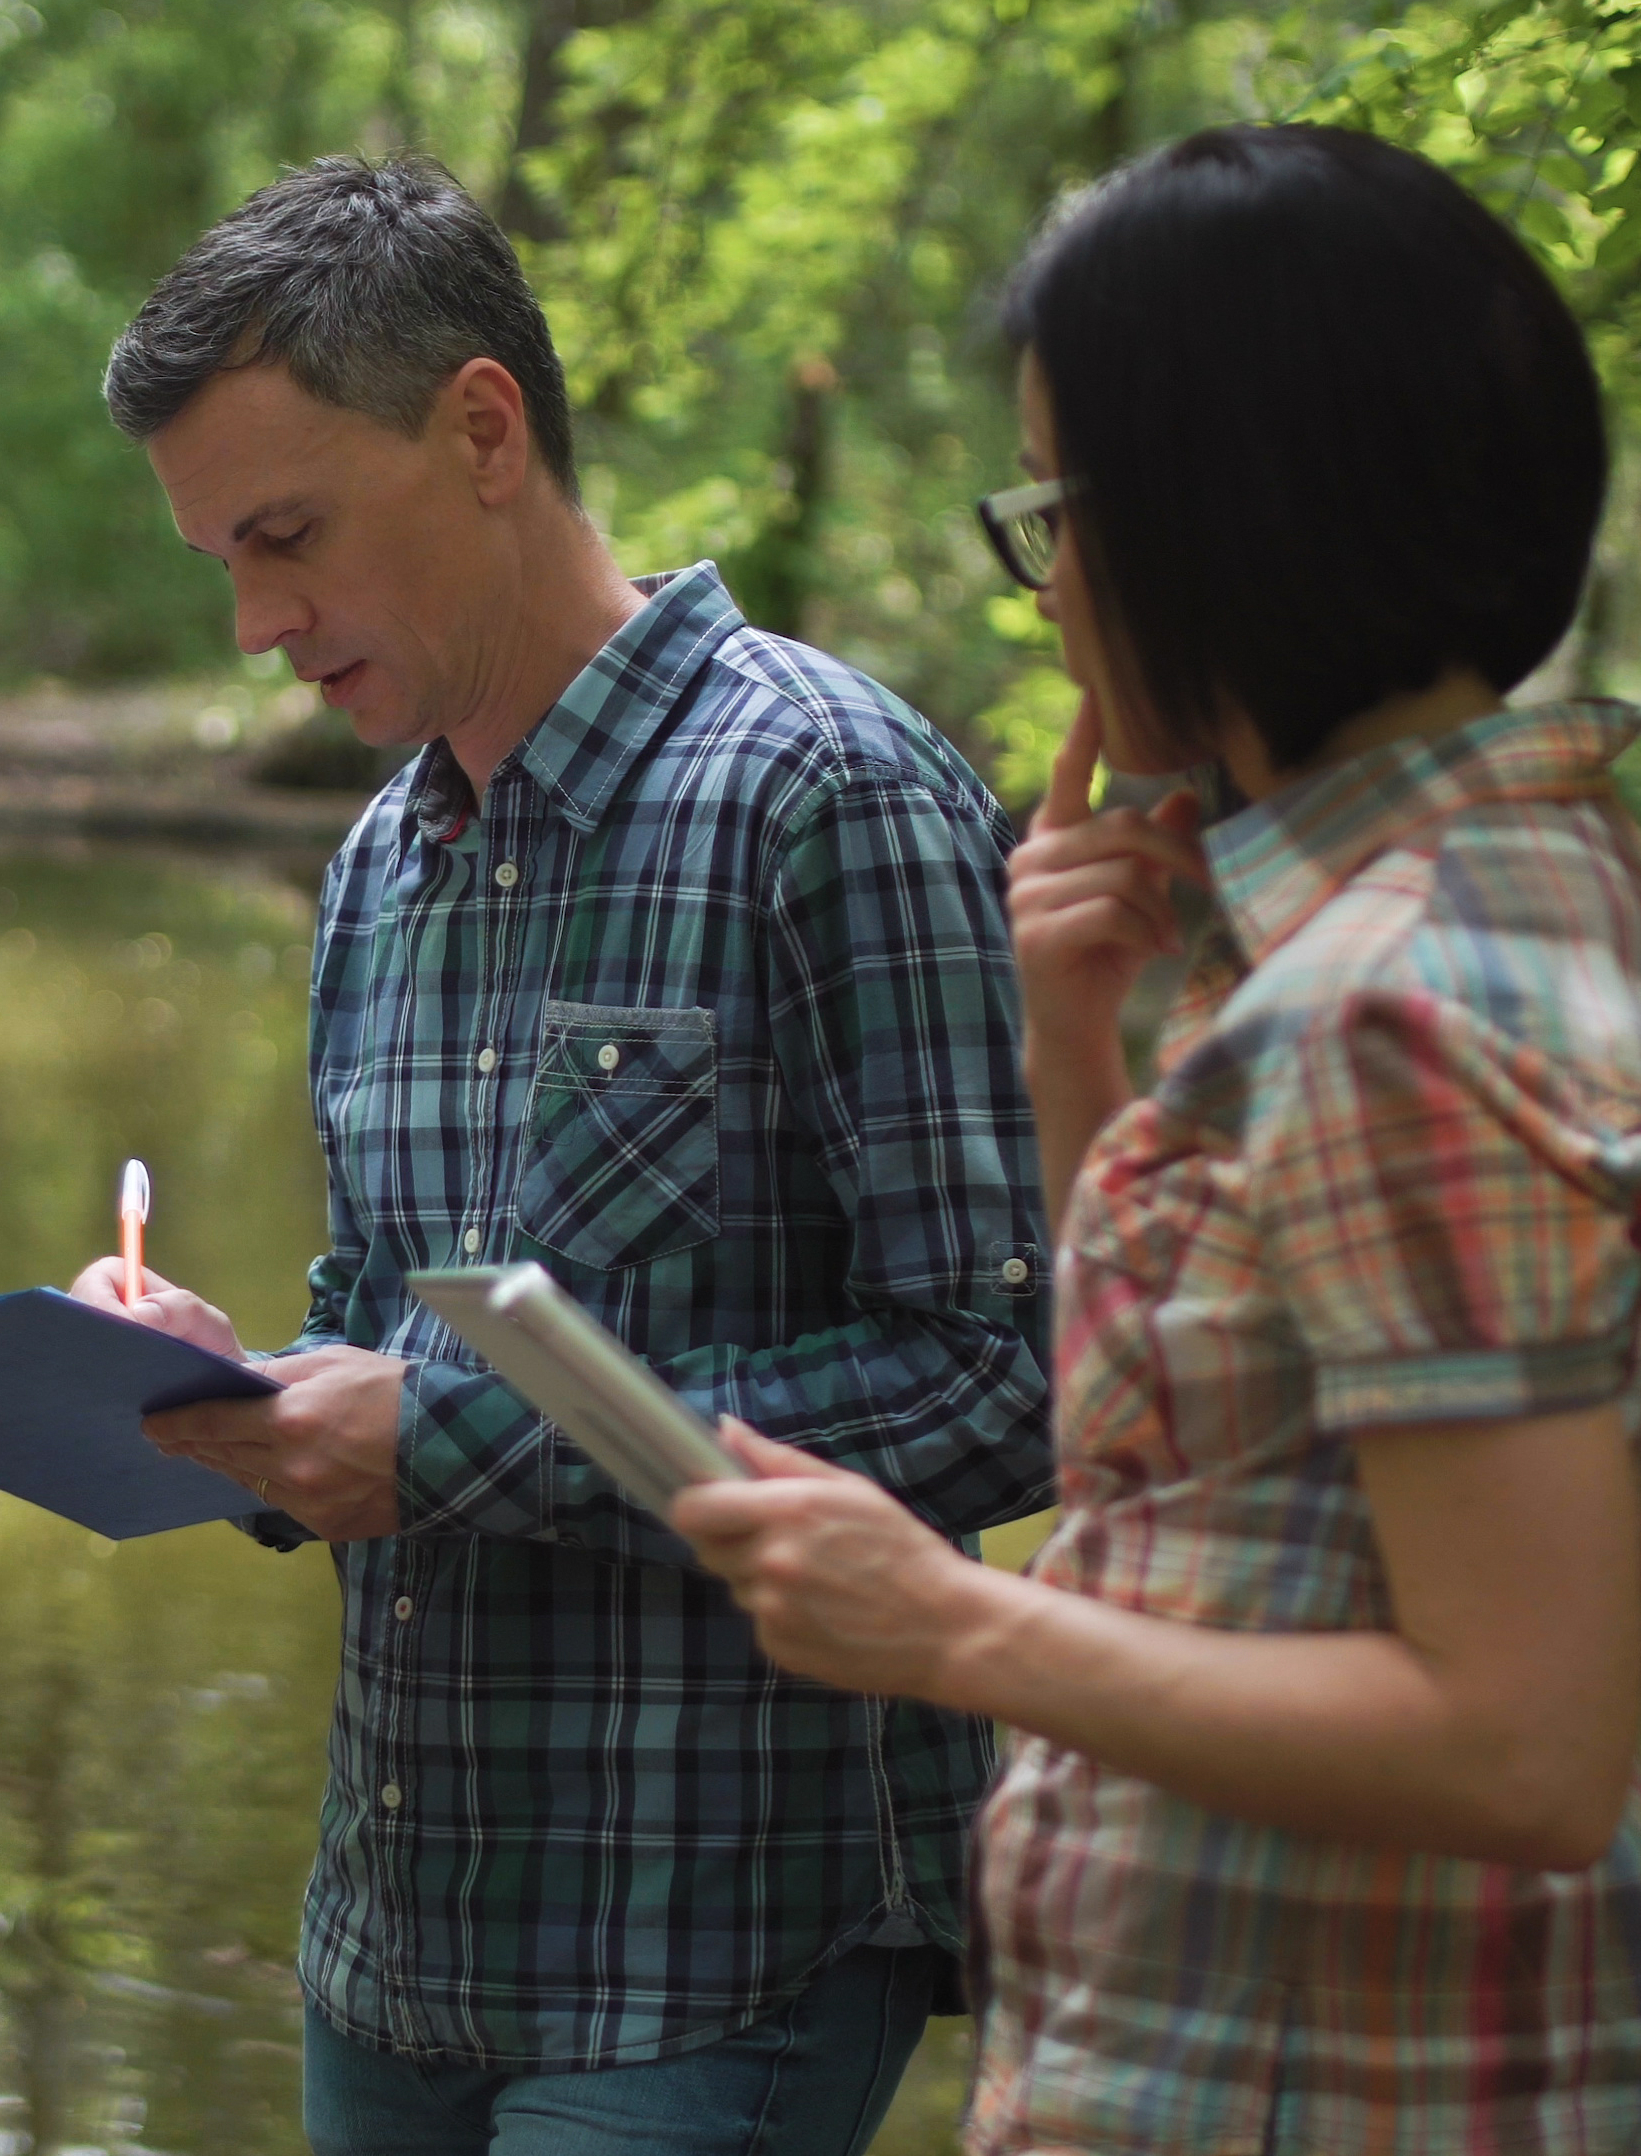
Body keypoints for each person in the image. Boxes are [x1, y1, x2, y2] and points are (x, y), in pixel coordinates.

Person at [671, 124, 1641, 2154]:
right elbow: (1221, 1471)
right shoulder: (1542, 891)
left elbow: (1524, 1741)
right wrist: (1076, 1034)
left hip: (1321, 2080)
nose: (1052, 578)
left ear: (1217, 514)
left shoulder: (1397, 1005)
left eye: (1059, 509)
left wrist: (948, 1624)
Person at [76, 156, 1056, 2156]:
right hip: (395, 1944)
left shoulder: (829, 789)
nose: (262, 625)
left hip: (719, 1947)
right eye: (222, 566)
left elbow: (1000, 1385)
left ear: (484, 429)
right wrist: (227, 1394)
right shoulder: (379, 863)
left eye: (287, 537)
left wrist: (429, 1442)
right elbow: (381, 1328)